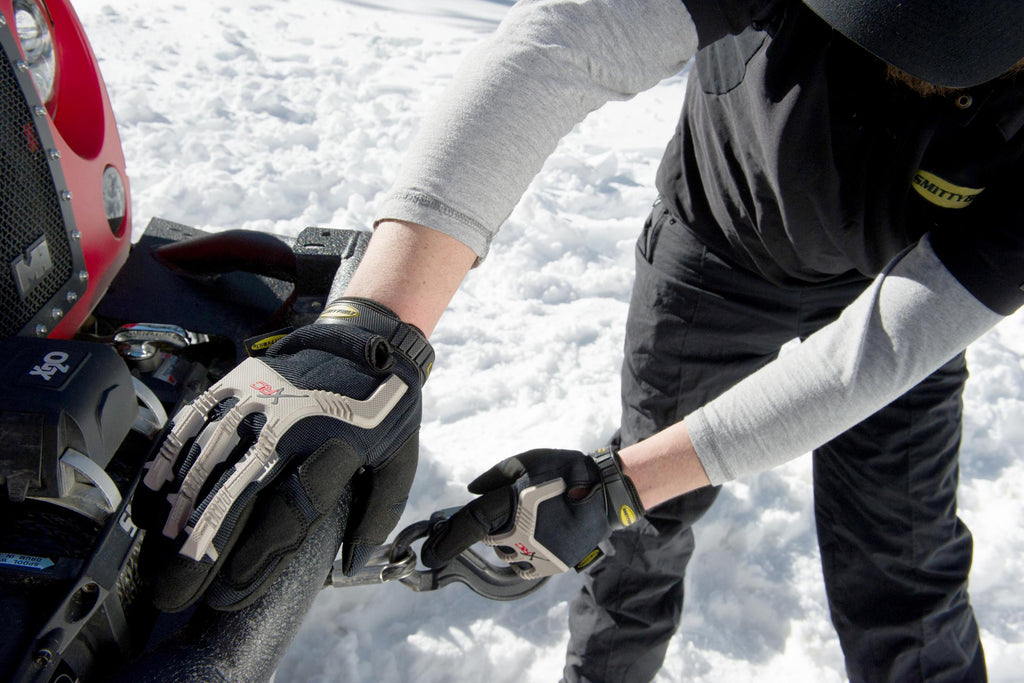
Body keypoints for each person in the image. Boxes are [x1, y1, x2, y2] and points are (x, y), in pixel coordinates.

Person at [132, 0, 1024, 681]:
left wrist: (622, 481)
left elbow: (884, 347)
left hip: (893, 282)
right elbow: (562, 43)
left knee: (904, 562)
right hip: (718, 254)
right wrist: (369, 333)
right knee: (638, 540)